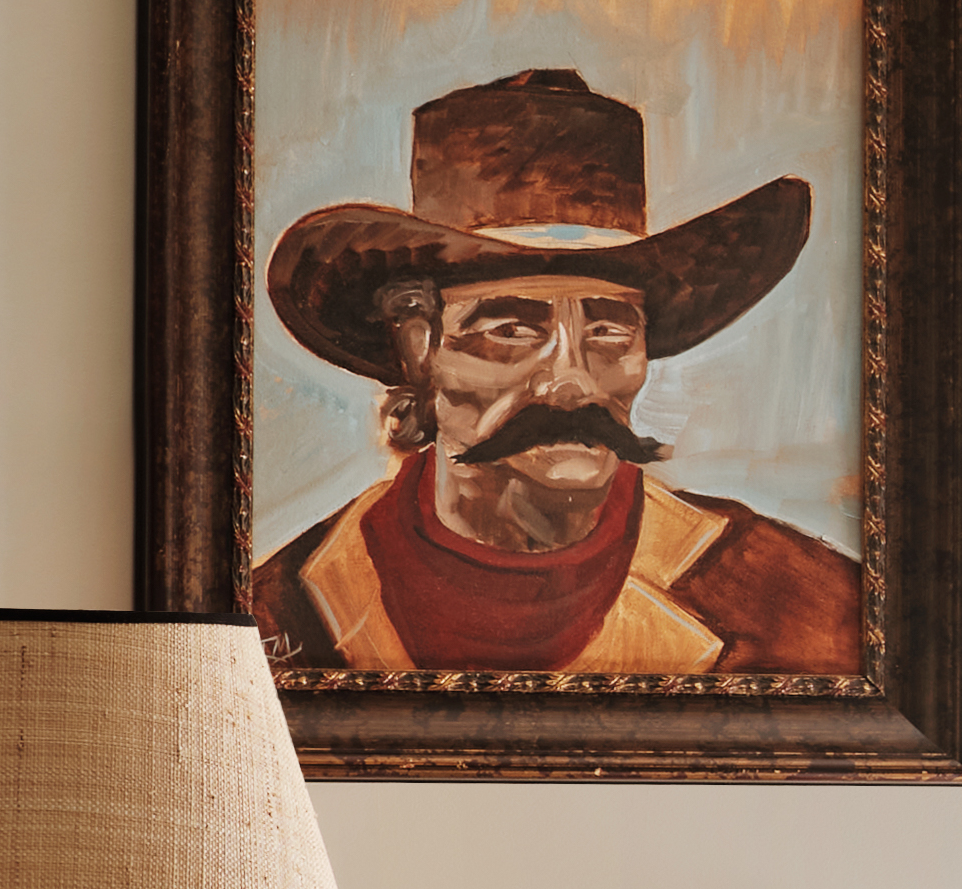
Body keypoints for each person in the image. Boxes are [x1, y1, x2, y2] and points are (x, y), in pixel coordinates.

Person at [249, 66, 871, 689]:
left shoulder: (800, 604)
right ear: (419, 350)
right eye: (512, 331)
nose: (573, 383)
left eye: (608, 332)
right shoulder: (276, 613)